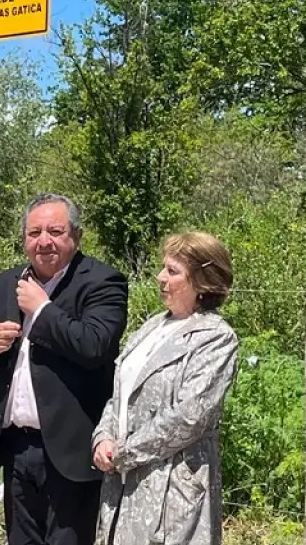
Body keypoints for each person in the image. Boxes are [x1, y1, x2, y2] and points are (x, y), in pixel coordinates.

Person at [0, 193, 129, 545]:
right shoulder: (4, 284)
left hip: (71, 452)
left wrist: (42, 311)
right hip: (16, 448)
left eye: (55, 231)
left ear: (76, 235)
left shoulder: (103, 282)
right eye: (33, 232)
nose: (43, 242)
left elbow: (95, 346)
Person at [92, 232, 238, 545]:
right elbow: (120, 394)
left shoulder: (215, 338)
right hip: (122, 485)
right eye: (163, 268)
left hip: (169, 495)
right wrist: (102, 436)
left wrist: (123, 452)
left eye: (172, 271)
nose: (160, 277)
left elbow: (189, 417)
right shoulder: (152, 326)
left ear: (202, 282)